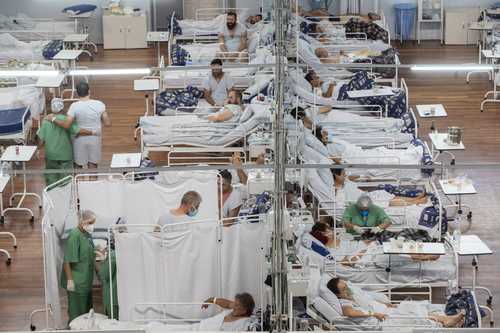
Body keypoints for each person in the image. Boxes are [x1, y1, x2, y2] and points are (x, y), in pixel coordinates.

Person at [325, 277, 465, 327]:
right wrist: (374, 314)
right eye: (344, 288)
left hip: (385, 310)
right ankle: (445, 320)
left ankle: (446, 317)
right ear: (337, 294)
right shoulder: (344, 303)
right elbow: (350, 313)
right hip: (383, 318)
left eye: (346, 285)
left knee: (411, 306)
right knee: (411, 315)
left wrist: (387, 304)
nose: (348, 289)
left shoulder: (353, 295)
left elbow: (369, 299)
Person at [48, 81, 111, 169]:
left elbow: (66, 125)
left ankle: (78, 182)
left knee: (78, 166)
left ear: (77, 93)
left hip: (79, 139)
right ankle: (92, 183)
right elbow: (107, 123)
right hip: (95, 138)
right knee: (93, 165)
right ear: (89, 91)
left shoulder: (74, 106)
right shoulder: (99, 104)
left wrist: (53, 118)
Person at [37, 98, 93, 186]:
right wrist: (92, 132)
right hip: (65, 155)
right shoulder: (66, 120)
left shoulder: (46, 121)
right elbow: (78, 130)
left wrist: (38, 149)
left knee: (51, 180)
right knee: (66, 180)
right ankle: (65, 196)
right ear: (63, 108)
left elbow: (41, 140)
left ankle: (52, 197)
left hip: (50, 155)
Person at [60, 210, 97, 323]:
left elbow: (88, 250)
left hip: (85, 280)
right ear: (82, 222)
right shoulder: (74, 236)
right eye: (90, 223)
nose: (92, 226)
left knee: (86, 311)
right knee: (77, 314)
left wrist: (97, 250)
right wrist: (70, 280)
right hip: (77, 282)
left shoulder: (86, 234)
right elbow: (67, 261)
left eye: (93, 223)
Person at [96, 249, 118, 319]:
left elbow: (104, 275)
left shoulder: (113, 256)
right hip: (124, 296)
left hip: (113, 296)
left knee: (113, 322)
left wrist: (99, 263)